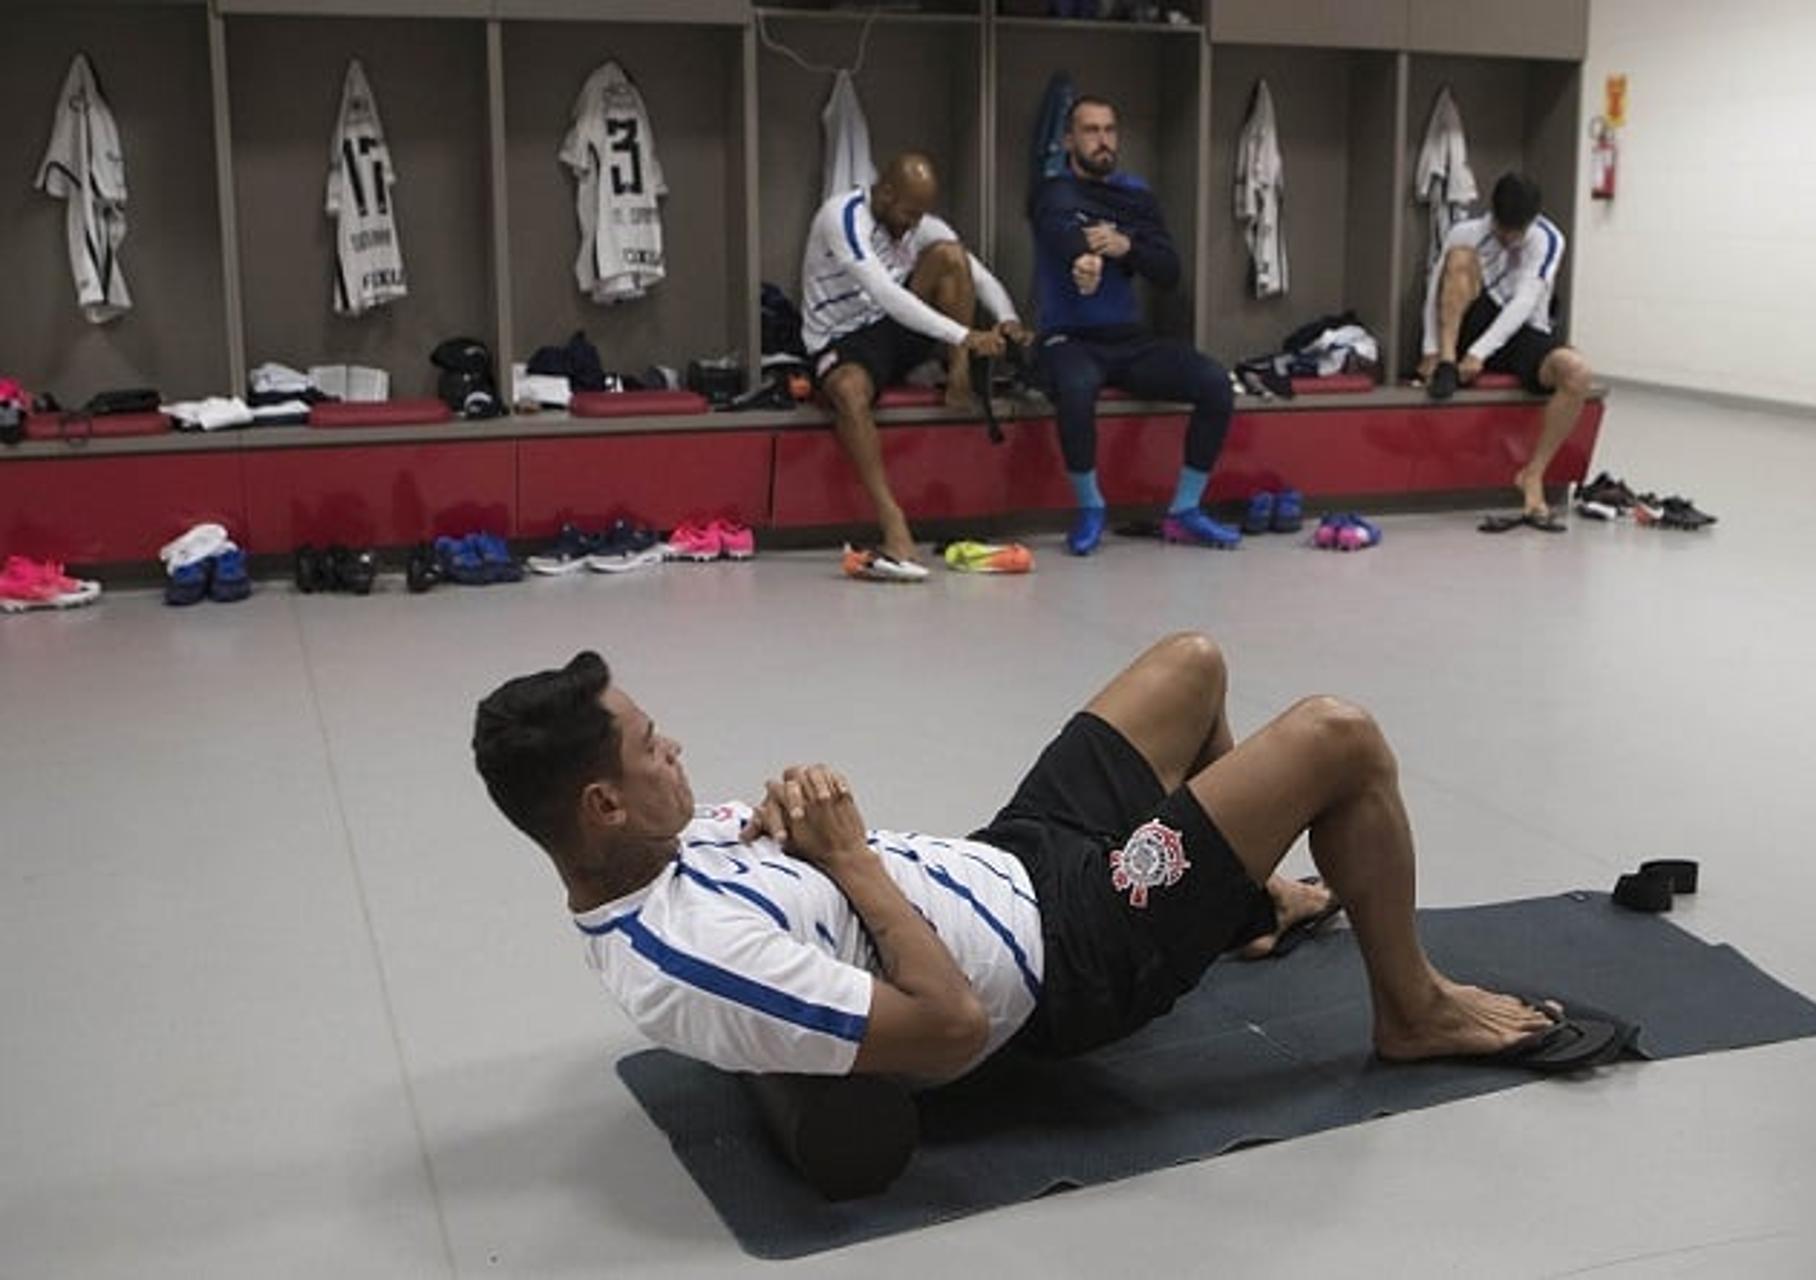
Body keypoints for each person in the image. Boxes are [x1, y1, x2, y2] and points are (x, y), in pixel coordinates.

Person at [472, 634, 1616, 1087]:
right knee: (1337, 733)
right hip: (1075, 948)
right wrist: (854, 859)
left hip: (1013, 855)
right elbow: (951, 1030)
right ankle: (1411, 1007)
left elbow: (789, 850)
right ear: (602, 802)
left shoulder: (663, 846)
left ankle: (1241, 896)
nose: (677, 747)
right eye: (650, 744)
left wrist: (795, 810)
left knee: (1192, 664)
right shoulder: (684, 959)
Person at [802, 152, 1030, 581]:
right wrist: (963, 335)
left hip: (896, 330)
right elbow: (884, 292)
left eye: (919, 215)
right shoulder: (841, 216)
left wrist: (1008, 319)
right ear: (885, 193)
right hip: (842, 337)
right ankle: (893, 523)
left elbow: (976, 274)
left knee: (949, 254)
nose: (912, 225)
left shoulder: (918, 222)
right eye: (907, 213)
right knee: (849, 393)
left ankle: (957, 375)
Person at [1030, 97, 1241, 556]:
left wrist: (1127, 247)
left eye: (1109, 130)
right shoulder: (1054, 192)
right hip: (1069, 339)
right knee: (1077, 386)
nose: (1102, 141)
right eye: (1090, 131)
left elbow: (1168, 271)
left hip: (1128, 340)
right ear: (1069, 140)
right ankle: (1091, 508)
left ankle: (1185, 512)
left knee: (1213, 383)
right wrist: (1081, 258)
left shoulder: (1135, 197)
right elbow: (1058, 231)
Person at [1418, 172, 1596, 530]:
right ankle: (1448, 367)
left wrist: (1481, 353)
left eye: (1517, 231)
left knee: (1577, 372)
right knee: (1459, 260)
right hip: (1472, 321)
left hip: (1523, 332)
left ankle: (1532, 474)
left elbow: (1525, 302)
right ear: (1493, 214)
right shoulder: (1465, 232)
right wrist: (1433, 351)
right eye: (1504, 229)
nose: (1510, 237)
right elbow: (1434, 290)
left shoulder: (1548, 239)